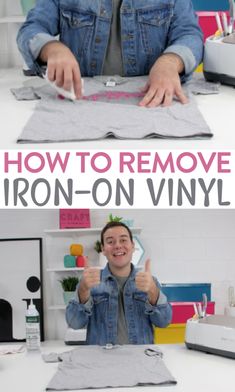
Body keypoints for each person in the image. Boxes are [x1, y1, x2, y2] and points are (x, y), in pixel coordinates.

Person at [17, 1, 203, 107]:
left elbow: (190, 34)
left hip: (153, 103)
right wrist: (52, 48)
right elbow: (32, 27)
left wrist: (171, 62)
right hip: (76, 105)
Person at [66, 221, 172, 345]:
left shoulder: (149, 282)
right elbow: (74, 323)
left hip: (140, 361)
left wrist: (153, 291)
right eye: (110, 242)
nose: (117, 245)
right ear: (103, 249)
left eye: (123, 240)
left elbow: (164, 322)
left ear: (132, 246)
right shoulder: (89, 283)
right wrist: (83, 290)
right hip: (102, 362)